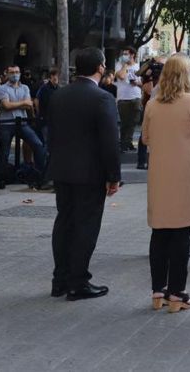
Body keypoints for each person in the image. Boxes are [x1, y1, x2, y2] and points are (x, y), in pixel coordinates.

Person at [47, 48, 121, 301]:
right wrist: (114, 176)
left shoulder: (59, 95)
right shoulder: (102, 98)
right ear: (100, 67)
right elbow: (110, 141)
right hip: (90, 173)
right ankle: (78, 281)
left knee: (64, 222)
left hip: (62, 169)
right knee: (85, 226)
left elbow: (51, 133)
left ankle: (60, 279)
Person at [142, 54, 190, 313]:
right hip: (187, 173)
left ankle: (158, 290)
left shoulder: (153, 104)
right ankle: (177, 293)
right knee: (182, 233)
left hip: (160, 173)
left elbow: (145, 138)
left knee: (159, 231)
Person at [0, 65, 48, 186]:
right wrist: (23, 103)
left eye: (17, 72)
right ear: (7, 74)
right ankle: (2, 178)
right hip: (7, 123)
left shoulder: (25, 87)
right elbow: (6, 105)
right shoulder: (2, 88)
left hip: (23, 122)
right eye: (12, 72)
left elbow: (28, 105)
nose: (15, 74)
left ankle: (40, 174)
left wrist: (17, 104)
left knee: (38, 144)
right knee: (4, 151)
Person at [115, 48, 142, 152]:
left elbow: (143, 83)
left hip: (136, 97)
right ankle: (124, 142)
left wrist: (137, 83)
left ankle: (127, 142)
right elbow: (121, 76)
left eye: (126, 54)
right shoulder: (119, 65)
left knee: (134, 121)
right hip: (123, 98)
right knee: (125, 122)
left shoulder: (138, 66)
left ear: (132, 55)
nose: (124, 55)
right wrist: (125, 65)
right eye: (124, 54)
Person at [34, 68, 61, 149]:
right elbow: (36, 100)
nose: (55, 77)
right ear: (50, 76)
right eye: (54, 75)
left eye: (57, 76)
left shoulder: (59, 89)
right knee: (45, 141)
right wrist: (39, 113)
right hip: (45, 119)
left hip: (54, 119)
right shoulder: (44, 88)